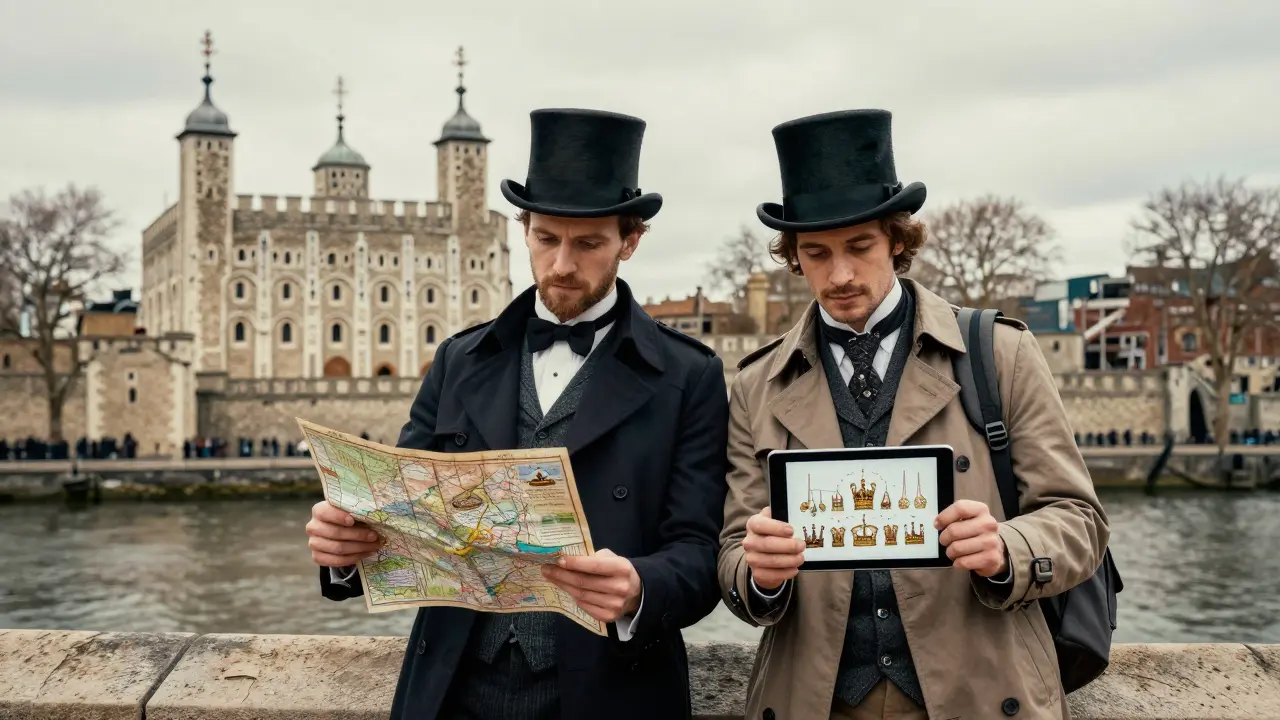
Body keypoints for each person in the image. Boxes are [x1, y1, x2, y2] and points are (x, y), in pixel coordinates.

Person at [306, 108, 729, 720]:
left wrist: (641, 585)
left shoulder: (690, 375)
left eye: (588, 244)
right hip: (452, 689)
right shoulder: (457, 359)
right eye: (546, 238)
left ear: (630, 241)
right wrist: (346, 547)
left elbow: (696, 549)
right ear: (523, 229)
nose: (561, 264)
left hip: (612, 689)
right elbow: (398, 510)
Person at [716, 109, 1110, 719]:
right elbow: (734, 551)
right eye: (816, 253)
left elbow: (1081, 521)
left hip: (978, 693)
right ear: (794, 257)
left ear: (898, 241)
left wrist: (1008, 546)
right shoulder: (754, 385)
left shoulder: (1000, 353)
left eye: (860, 247)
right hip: (815, 701)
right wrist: (759, 573)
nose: (840, 274)